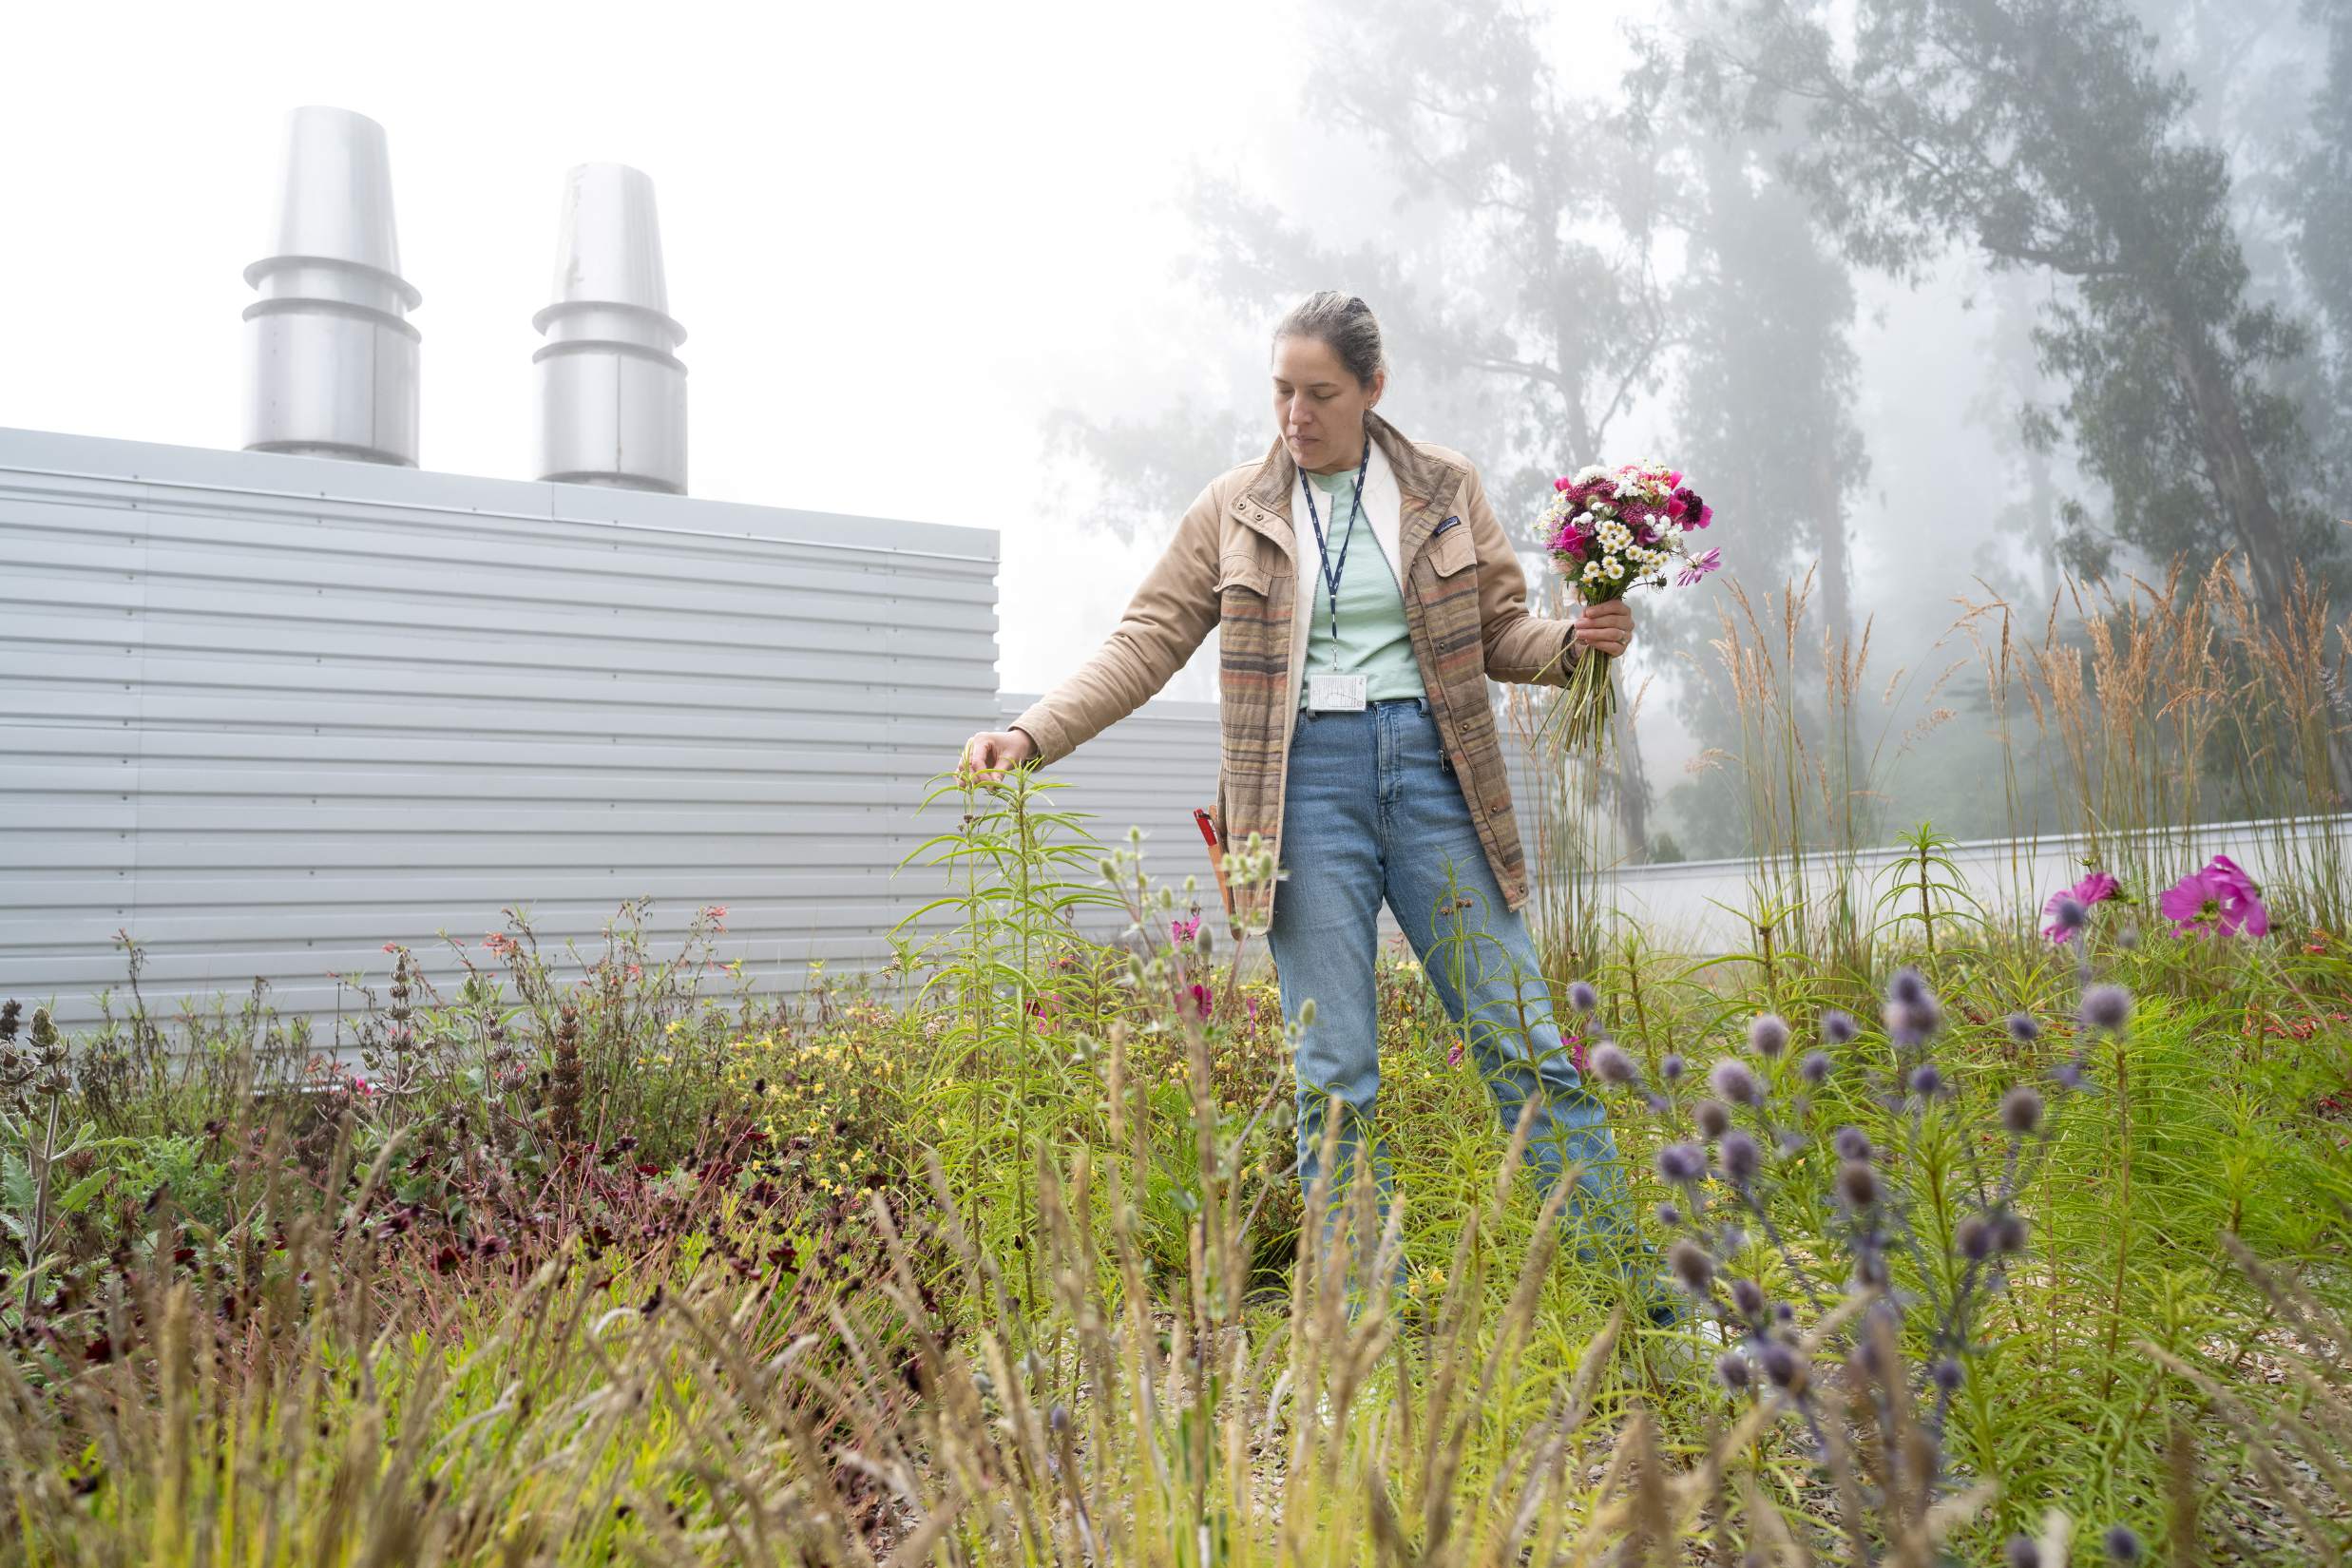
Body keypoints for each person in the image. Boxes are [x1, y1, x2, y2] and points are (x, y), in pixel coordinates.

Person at [961, 291, 1650, 1309]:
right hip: (1300, 793)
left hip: (1435, 775)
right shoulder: (1234, 506)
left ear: (1373, 388)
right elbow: (1146, 639)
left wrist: (1573, 645)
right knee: (1335, 1070)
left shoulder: (1445, 487)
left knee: (1527, 1043)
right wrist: (1031, 731)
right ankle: (1367, 1336)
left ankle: (1642, 1302)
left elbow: (1502, 631)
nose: (1296, 414)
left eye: (1320, 393)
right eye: (1281, 390)